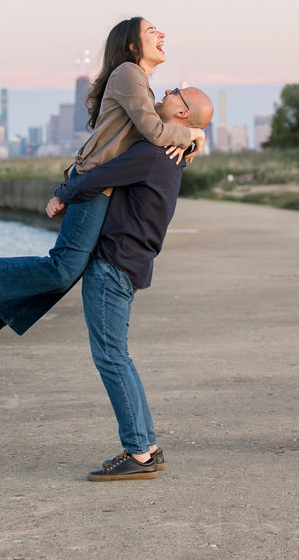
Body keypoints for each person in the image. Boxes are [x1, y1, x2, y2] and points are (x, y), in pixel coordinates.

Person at [0, 17, 206, 352]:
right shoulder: (128, 73)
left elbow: (156, 132)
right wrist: (195, 133)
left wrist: (193, 135)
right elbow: (155, 132)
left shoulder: (143, 86)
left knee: (74, 267)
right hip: (92, 184)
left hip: (101, 187)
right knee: (63, 268)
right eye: (152, 31)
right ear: (133, 46)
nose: (161, 34)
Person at [48, 86, 214, 480]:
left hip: (114, 262)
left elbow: (100, 175)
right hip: (130, 262)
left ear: (181, 112)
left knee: (111, 357)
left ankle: (138, 452)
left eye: (176, 93)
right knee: (119, 355)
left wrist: (62, 194)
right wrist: (193, 137)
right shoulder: (169, 155)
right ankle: (148, 446)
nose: (168, 91)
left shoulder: (152, 153)